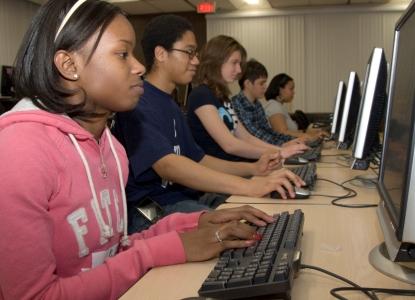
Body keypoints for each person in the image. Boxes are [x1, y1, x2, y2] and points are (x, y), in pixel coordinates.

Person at [0, 1, 277, 299]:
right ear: (69, 65)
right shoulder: (20, 152)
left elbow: (115, 249)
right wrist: (161, 250)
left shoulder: (110, 147)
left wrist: (196, 222)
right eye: (122, 54)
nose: (139, 66)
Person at [112, 15, 304, 234]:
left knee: (263, 214)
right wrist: (249, 185)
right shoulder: (139, 103)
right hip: (152, 210)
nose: (195, 61)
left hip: (184, 199)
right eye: (189, 52)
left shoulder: (172, 105)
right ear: (161, 54)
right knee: (244, 229)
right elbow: (168, 165)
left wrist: (253, 169)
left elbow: (200, 159)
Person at [186, 35, 308, 161]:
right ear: (216, 61)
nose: (239, 70)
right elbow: (230, 145)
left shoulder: (223, 98)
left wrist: (280, 150)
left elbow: (246, 137)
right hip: (221, 172)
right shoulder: (200, 95)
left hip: (238, 167)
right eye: (234, 63)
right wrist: (279, 153)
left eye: (239, 64)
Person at [231, 59, 314, 145]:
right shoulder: (236, 105)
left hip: (265, 150)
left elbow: (268, 132)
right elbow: (255, 136)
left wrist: (293, 140)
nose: (265, 86)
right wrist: (285, 144)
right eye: (261, 83)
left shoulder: (257, 105)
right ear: (248, 83)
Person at [264, 73, 328, 139]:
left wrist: (308, 132)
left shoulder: (278, 106)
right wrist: (309, 136)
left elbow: (290, 132)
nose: (293, 92)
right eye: (291, 89)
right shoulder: (274, 106)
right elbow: (282, 133)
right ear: (280, 89)